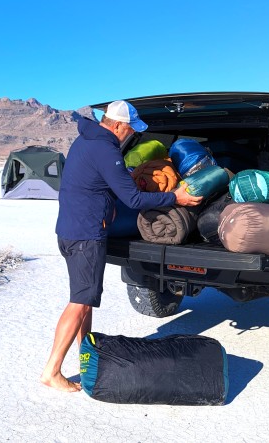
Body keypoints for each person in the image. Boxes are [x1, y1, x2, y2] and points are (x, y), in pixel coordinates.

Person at [40, 100, 203, 392]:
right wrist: (175, 198)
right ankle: (52, 372)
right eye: (130, 129)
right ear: (117, 125)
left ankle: (84, 355)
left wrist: (108, 199)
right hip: (86, 236)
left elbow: (91, 183)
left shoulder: (85, 140)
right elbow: (135, 200)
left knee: (84, 299)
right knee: (79, 303)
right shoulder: (106, 149)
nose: (132, 135)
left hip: (70, 230)